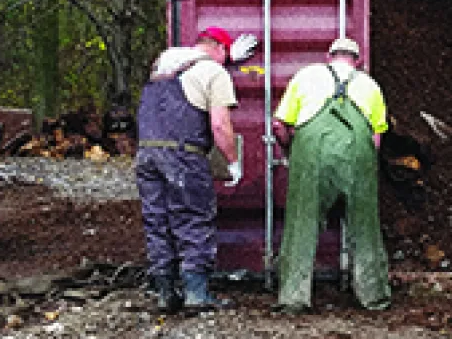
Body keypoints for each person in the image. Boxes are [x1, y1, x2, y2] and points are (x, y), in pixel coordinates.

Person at [136, 26, 256, 313]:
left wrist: (224, 58)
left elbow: (186, 69)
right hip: (183, 156)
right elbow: (219, 125)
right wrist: (233, 161)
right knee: (193, 219)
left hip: (147, 154)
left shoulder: (165, 60)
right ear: (221, 50)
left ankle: (166, 293)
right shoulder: (215, 73)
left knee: (157, 221)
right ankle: (196, 293)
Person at [271, 37, 391, 314]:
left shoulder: (306, 76)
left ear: (329, 56)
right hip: (358, 155)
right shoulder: (370, 85)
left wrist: (292, 151)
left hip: (311, 155)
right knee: (365, 225)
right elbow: (375, 139)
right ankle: (373, 296)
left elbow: (279, 125)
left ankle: (293, 297)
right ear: (357, 61)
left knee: (302, 222)